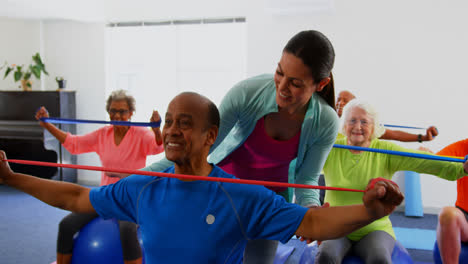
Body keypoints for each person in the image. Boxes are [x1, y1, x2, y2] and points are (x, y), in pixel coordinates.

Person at [0, 92, 404, 264]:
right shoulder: (144, 187)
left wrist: (369, 211)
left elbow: (312, 222)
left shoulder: (240, 195)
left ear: (211, 136)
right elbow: (74, 198)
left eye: (185, 124)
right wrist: (12, 178)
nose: (172, 130)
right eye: (170, 122)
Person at [146, 30, 340, 262]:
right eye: (279, 72)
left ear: (321, 84)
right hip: (224, 192)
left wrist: (310, 208)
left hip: (269, 200)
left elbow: (307, 178)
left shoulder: (326, 121)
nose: (282, 87)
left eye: (296, 83)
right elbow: (196, 148)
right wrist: (140, 177)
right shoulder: (248, 93)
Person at [316, 99, 468, 264]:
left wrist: (462, 169)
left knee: (380, 259)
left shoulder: (385, 150)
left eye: (364, 122)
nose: (357, 127)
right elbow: (302, 162)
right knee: (326, 256)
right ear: (344, 125)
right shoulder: (331, 149)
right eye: (352, 120)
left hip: (374, 228)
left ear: (374, 127)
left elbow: (424, 162)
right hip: (337, 226)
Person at [35, 90, 164, 264]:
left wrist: (156, 130)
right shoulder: (103, 134)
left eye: (122, 111)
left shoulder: (140, 134)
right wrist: (47, 125)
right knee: (66, 225)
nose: (117, 115)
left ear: (131, 113)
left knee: (127, 230)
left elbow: (158, 146)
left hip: (131, 197)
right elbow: (74, 144)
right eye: (113, 111)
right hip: (106, 195)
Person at [335, 90, 438, 142]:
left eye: (345, 100)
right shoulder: (326, 121)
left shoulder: (364, 128)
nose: (340, 103)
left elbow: (394, 135)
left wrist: (422, 137)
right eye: (338, 99)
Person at [436, 138, 468, 264]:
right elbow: (435, 162)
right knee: (448, 214)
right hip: (465, 218)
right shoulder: (463, 146)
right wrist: (424, 155)